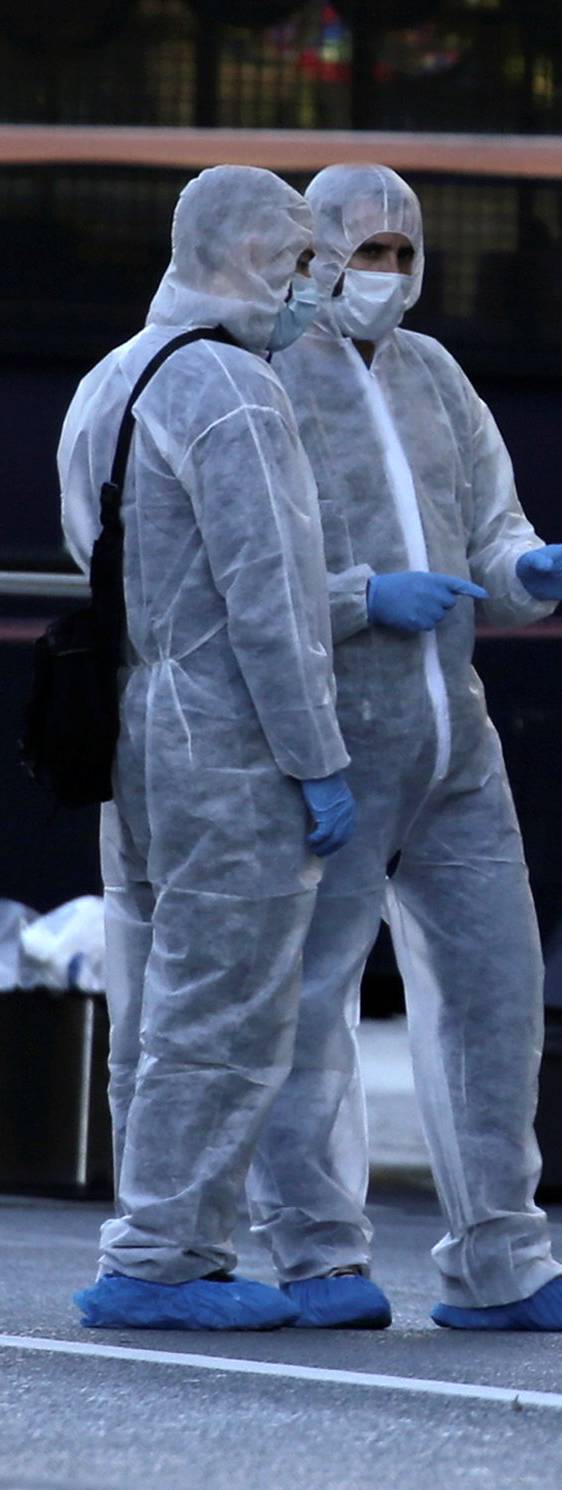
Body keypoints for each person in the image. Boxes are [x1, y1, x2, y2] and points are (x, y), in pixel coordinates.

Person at [242, 163, 562, 1333]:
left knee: (495, 991)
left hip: (450, 741)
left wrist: (531, 571)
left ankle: (503, 1264)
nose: (387, 275)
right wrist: (366, 595)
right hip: (327, 736)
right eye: (367, 251)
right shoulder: (264, 378)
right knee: (310, 1003)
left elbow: (492, 534)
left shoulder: (437, 376)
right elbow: (237, 581)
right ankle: (317, 1256)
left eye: (404, 254)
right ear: (312, 252)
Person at [58, 165, 354, 1333]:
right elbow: (272, 599)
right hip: (225, 740)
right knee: (223, 1007)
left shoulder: (110, 377)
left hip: (136, 727)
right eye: (296, 266)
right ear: (247, 258)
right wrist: (316, 756)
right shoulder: (234, 390)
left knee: (157, 1002)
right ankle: (163, 1257)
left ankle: (155, 1231)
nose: (309, 294)